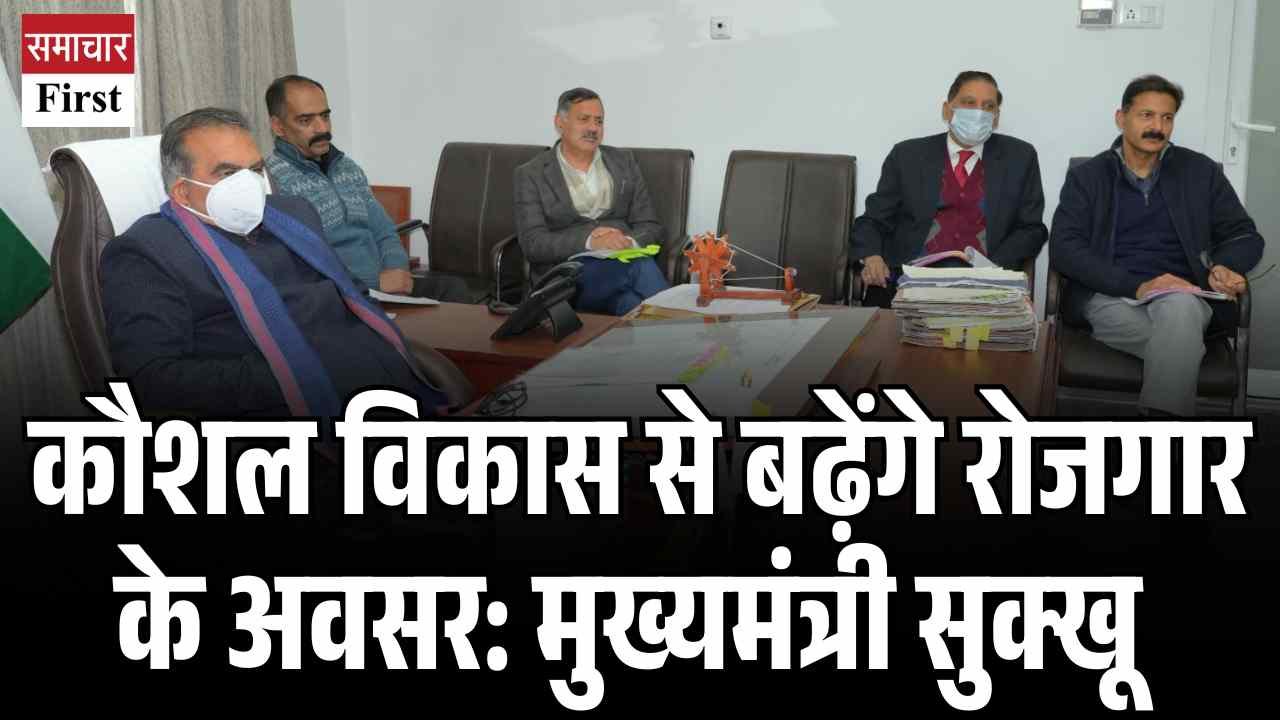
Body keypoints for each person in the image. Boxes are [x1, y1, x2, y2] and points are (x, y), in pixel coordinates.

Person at [100, 107, 447, 417]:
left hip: (380, 384)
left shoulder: (294, 214)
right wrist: (297, 373)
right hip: (293, 411)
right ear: (182, 191)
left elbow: (353, 293)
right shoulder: (146, 253)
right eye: (227, 173)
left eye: (254, 169)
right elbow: (151, 378)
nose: (248, 184)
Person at [1050, 74, 1263, 416]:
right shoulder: (1088, 177)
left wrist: (1224, 265)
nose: (1158, 127)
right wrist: (1138, 286)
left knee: (1179, 305)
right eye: (1146, 115)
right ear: (1121, 118)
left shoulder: (1200, 172)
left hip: (1186, 298)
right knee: (1181, 342)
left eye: (1167, 118)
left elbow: (1244, 235)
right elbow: (1064, 247)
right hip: (1111, 297)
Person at [263, 74, 469, 301]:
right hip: (338, 296)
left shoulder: (346, 168)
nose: (322, 128)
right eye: (305, 120)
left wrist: (396, 272)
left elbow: (384, 231)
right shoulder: (271, 183)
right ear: (278, 127)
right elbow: (301, 266)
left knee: (455, 290)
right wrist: (373, 282)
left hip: (383, 288)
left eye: (325, 116)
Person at [851, 70, 1047, 307]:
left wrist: (993, 269)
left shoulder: (1020, 157)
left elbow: (1032, 229)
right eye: (969, 103)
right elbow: (872, 220)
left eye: (988, 106)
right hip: (910, 281)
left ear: (996, 118)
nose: (978, 113)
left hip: (984, 286)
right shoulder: (907, 155)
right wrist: (872, 256)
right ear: (947, 110)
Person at [513, 87, 669, 316]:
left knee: (630, 303)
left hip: (620, 267)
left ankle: (672, 334)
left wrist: (627, 242)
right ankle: (685, 326)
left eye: (599, 121)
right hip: (568, 278)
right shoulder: (531, 174)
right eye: (584, 119)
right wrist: (590, 242)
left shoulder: (624, 162)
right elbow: (533, 243)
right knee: (639, 265)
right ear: (560, 123)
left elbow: (651, 226)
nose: (593, 128)